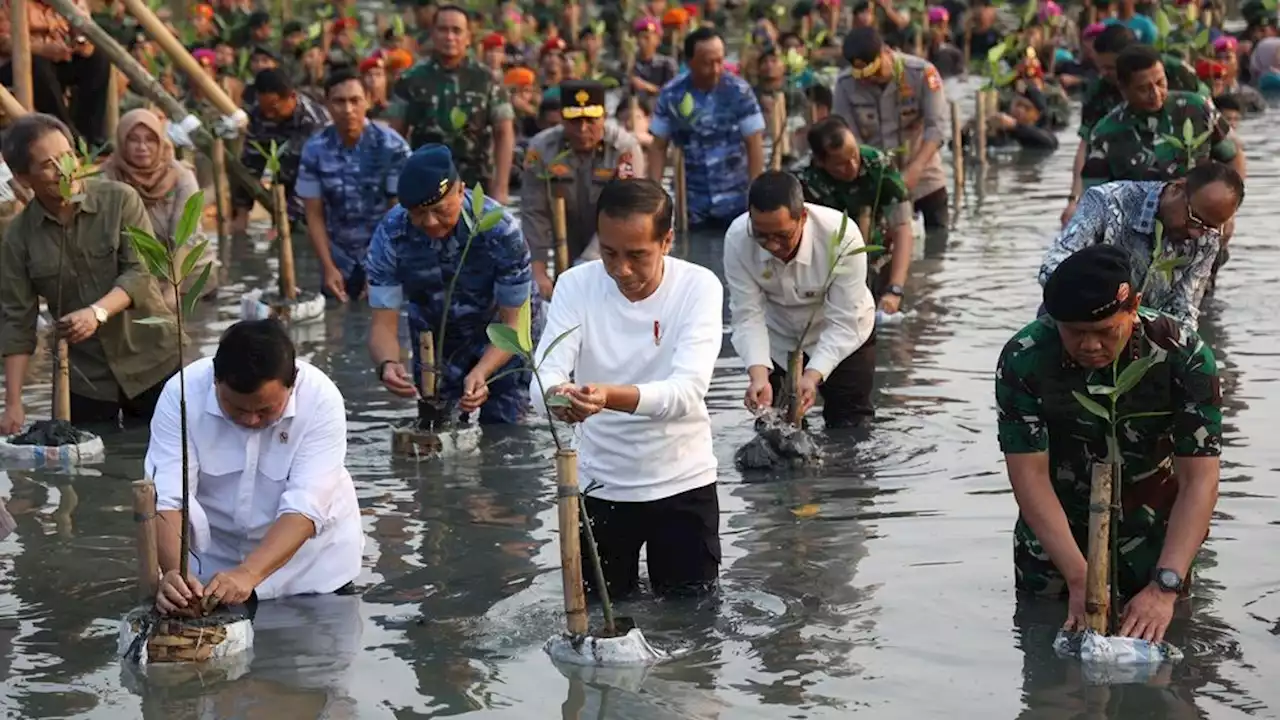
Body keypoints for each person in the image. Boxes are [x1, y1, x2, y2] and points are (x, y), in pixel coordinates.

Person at [997, 244, 1221, 643]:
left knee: (1167, 669)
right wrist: (1080, 577)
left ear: (1133, 307)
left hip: (1157, 538)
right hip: (1057, 539)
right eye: (1074, 333)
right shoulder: (1024, 357)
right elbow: (1029, 475)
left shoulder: (1182, 356)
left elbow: (1199, 480)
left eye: (1104, 332)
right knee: (1048, 665)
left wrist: (1165, 585)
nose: (1089, 346)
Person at [531, 178, 723, 599]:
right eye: (609, 253)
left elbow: (687, 391)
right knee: (600, 618)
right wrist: (560, 398)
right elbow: (544, 374)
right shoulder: (576, 285)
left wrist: (607, 397)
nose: (621, 270)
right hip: (600, 486)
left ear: (667, 241)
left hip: (681, 484)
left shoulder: (699, 287)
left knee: (690, 623)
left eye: (638, 256)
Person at [149, 319, 363, 614]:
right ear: (215, 380)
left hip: (312, 579)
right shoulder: (182, 394)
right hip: (209, 578)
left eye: (265, 410)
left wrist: (249, 573)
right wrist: (174, 573)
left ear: (293, 383)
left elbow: (305, 506)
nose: (251, 420)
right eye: (236, 408)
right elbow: (168, 498)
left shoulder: (322, 400)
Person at [0, 114, 181, 431]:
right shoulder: (18, 237)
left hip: (152, 359)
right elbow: (17, 319)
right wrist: (13, 403)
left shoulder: (120, 200)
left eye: (68, 156)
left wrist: (96, 312)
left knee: (166, 463)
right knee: (96, 469)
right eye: (48, 164)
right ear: (23, 178)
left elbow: (140, 272)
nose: (63, 170)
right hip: (85, 378)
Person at [366, 145, 538, 424]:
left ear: (461, 191)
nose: (431, 222)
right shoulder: (391, 235)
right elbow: (382, 323)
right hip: (434, 341)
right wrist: (388, 363)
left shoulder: (500, 231)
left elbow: (514, 326)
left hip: (502, 337)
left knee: (505, 428)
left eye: (440, 210)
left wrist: (482, 372)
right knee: (435, 428)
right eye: (419, 214)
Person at [725, 171, 877, 428]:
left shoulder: (842, 238)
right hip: (779, 338)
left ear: (803, 218)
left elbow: (844, 320)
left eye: (782, 236)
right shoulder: (738, 239)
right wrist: (759, 375)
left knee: (851, 423)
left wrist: (812, 375)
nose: (772, 245)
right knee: (776, 427)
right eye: (761, 235)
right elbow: (747, 314)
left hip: (844, 336)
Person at [1039, 163, 1243, 330]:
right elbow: (1052, 268)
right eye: (1194, 219)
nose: (1196, 233)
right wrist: (1108, 309)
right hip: (1081, 322)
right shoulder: (1106, 202)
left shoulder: (1208, 239)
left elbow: (1184, 310)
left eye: (1210, 228)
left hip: (1144, 335)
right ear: (1176, 189)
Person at [1063, 28, 1209, 224]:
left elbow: (1208, 118)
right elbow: (1087, 146)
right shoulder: (1099, 90)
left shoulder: (1175, 71)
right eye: (1101, 67)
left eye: (1109, 67)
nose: (1104, 74)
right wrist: (1074, 200)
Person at [522, 81, 645, 300]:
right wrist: (538, 270)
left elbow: (625, 214)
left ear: (604, 117)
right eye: (574, 121)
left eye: (591, 120)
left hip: (616, 252)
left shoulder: (624, 148)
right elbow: (534, 213)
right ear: (562, 118)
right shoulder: (541, 149)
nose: (582, 129)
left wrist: (586, 264)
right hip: (565, 243)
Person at [297, 70, 412, 303]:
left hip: (388, 254)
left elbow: (400, 212)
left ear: (368, 101)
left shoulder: (391, 146)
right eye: (339, 102)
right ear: (327, 105)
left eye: (355, 101)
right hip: (338, 259)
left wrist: (383, 268)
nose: (348, 110)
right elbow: (313, 213)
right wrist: (328, 266)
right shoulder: (315, 149)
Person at [387, 3, 515, 204]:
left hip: (476, 185)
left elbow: (504, 133)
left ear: (468, 37)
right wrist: (394, 189)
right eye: (443, 30)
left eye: (456, 31)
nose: (449, 37)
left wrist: (501, 187)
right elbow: (395, 138)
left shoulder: (486, 79)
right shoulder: (411, 79)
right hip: (426, 186)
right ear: (433, 33)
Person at [833, 27, 950, 235]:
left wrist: (915, 168)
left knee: (938, 242)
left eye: (875, 73)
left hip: (924, 175)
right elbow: (847, 137)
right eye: (864, 77)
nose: (870, 80)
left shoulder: (921, 73)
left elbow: (937, 127)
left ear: (885, 52)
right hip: (877, 182)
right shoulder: (845, 85)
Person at [647, 27, 766, 228]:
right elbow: (658, 146)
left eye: (720, 61)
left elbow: (754, 143)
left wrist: (756, 194)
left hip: (736, 200)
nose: (716, 69)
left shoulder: (739, 91)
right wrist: (652, 196)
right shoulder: (672, 95)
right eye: (708, 63)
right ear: (689, 62)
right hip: (692, 203)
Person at [101, 109, 218, 312]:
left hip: (189, 277)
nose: (142, 147)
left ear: (161, 142)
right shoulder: (109, 177)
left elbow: (183, 238)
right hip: (138, 280)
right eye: (134, 140)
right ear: (122, 142)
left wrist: (173, 290)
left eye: (150, 140)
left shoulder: (180, 176)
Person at [1081, 45, 1243, 192]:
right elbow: (1094, 197)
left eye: (1160, 82)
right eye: (1143, 89)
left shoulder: (1196, 108)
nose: (1155, 94)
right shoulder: (1105, 133)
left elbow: (1233, 156)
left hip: (1200, 217)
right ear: (1123, 89)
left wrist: (1229, 208)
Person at [799, 116, 913, 314]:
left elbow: (902, 226)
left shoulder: (878, 165)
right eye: (840, 164)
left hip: (878, 253)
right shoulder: (807, 182)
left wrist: (895, 289)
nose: (852, 167)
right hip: (832, 262)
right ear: (820, 162)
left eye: (854, 155)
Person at [0, 0, 112, 149]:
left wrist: (79, 42)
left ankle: (91, 136)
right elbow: (4, 42)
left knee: (99, 59)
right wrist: (42, 49)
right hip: (14, 64)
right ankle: (66, 134)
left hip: (57, 59)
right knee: (37, 66)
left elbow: (86, 36)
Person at [233, 69, 331, 232]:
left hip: (320, 198)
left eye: (274, 108)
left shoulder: (314, 122)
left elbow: (312, 174)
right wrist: (241, 213)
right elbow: (251, 163)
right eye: (265, 109)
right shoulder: (259, 114)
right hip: (283, 190)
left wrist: (289, 219)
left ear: (292, 97)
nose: (269, 115)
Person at [629, 15, 678, 110]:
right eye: (640, 38)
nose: (643, 42)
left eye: (647, 38)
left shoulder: (667, 64)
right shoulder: (631, 64)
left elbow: (673, 94)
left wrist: (648, 87)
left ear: (658, 40)